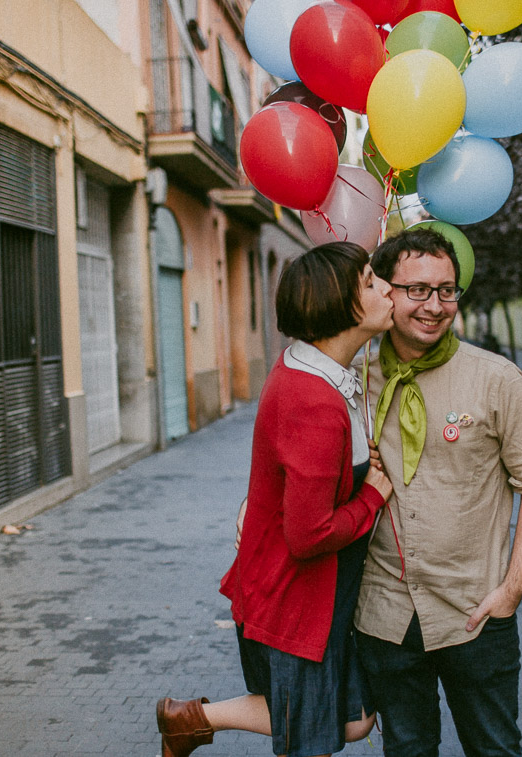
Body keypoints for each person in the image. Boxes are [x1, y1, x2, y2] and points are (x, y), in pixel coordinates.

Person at [156, 242, 395, 757]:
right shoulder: (313, 399)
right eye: (372, 283)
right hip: (296, 600)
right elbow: (308, 536)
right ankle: (186, 721)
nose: (388, 290)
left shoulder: (318, 372)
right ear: (340, 305)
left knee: (352, 720)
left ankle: (188, 720)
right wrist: (372, 497)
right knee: (312, 736)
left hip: (316, 596)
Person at [354, 228, 522, 757]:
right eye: (418, 289)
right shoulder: (354, 379)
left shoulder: (497, 380)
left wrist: (511, 590)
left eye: (447, 290)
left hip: (477, 612)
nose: (435, 305)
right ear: (385, 291)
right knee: (407, 750)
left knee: (495, 749)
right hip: (386, 613)